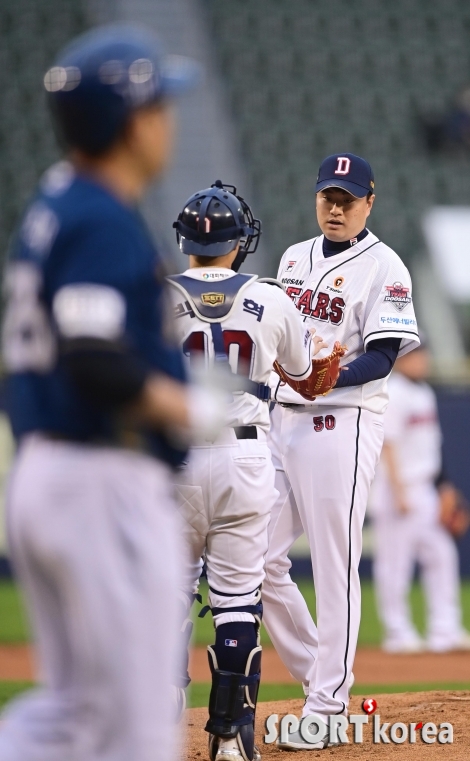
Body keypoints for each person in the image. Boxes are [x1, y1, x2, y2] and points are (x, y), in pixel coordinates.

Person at [0, 24, 224, 761]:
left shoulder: (59, 204)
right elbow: (93, 353)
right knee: (128, 729)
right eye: (159, 105)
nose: (168, 119)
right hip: (100, 477)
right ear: (132, 123)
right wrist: (188, 407)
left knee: (74, 715)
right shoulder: (100, 217)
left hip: (52, 469)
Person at [167, 181, 336, 761]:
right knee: (239, 600)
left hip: (177, 459)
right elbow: (308, 377)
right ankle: (232, 735)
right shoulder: (270, 297)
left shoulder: (155, 296)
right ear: (239, 242)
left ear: (185, 240)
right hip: (245, 457)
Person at [261, 153, 420, 750]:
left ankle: (327, 707)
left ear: (369, 203)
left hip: (342, 423)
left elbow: (384, 354)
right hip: (282, 419)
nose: (336, 206)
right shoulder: (293, 258)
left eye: (348, 198)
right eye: (329, 194)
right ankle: (317, 676)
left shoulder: (386, 267)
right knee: (256, 559)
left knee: (333, 564)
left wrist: (328, 378)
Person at [369, 343, 470, 653]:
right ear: (401, 360)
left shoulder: (424, 392)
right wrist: (399, 492)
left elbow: (432, 448)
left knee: (442, 555)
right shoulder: (393, 391)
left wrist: (445, 488)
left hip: (425, 487)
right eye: (415, 354)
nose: (422, 359)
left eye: (424, 353)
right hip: (396, 489)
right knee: (395, 565)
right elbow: (388, 446)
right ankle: (398, 633)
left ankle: (446, 628)